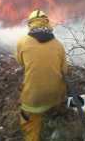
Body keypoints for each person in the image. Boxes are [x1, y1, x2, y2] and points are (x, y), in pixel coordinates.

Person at [16, 10, 68, 141]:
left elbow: (21, 63)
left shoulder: (22, 42)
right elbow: (65, 71)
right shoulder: (58, 45)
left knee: (29, 122)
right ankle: (56, 114)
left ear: (30, 24)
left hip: (34, 98)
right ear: (47, 23)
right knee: (58, 92)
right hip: (56, 95)